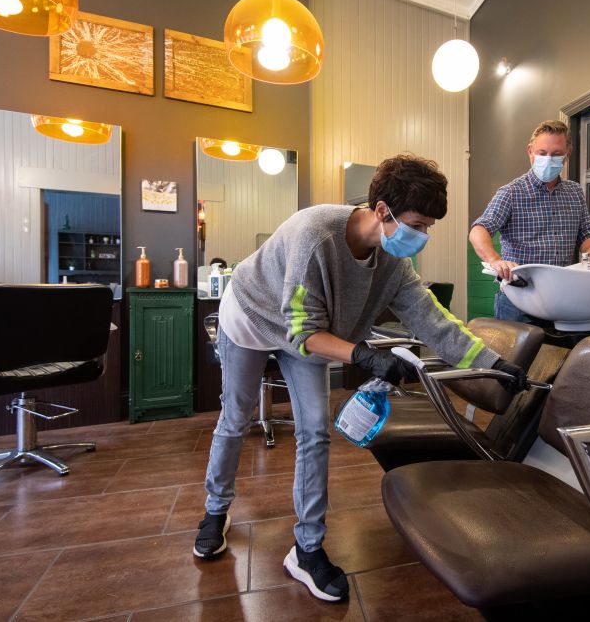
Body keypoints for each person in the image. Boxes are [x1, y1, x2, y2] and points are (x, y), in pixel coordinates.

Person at [193, 154, 527, 603]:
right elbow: (302, 331)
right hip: (252, 315)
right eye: (418, 224)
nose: (422, 235)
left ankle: (307, 550)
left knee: (313, 431)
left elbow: (432, 319)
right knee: (235, 418)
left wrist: (494, 363)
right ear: (384, 210)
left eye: (429, 226)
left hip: (309, 330)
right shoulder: (314, 237)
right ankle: (215, 511)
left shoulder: (392, 262)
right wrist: (364, 356)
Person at [469, 120, 590, 325]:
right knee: (518, 358)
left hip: (563, 299)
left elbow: (586, 234)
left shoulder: (575, 192)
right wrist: (495, 260)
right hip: (518, 300)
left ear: (567, 155)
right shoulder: (511, 192)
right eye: (542, 153)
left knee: (562, 356)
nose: (548, 159)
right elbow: (478, 230)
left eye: (556, 154)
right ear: (530, 152)